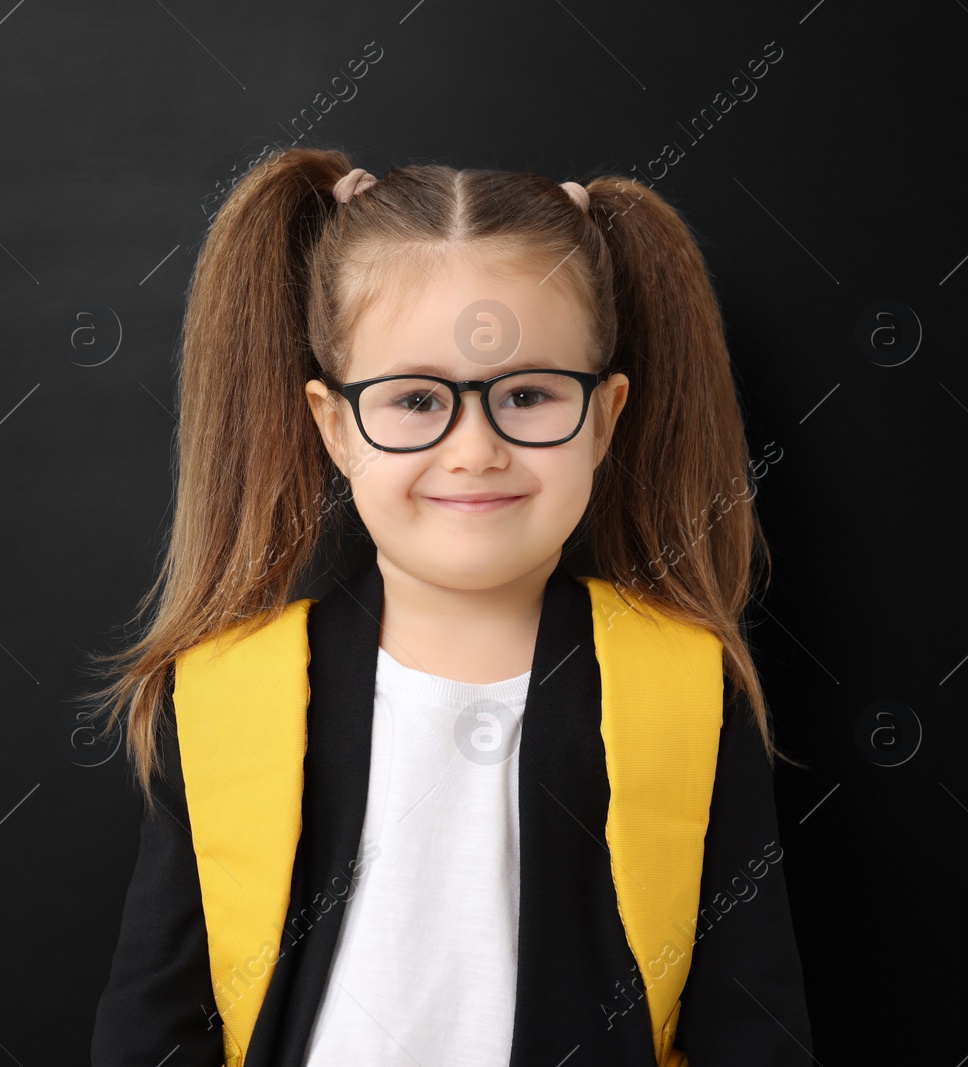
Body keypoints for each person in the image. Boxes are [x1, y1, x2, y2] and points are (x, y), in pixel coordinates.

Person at [79, 145, 816, 1066]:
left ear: (606, 416)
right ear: (335, 424)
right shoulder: (227, 693)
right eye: (419, 398)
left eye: (531, 394)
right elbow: (152, 1021)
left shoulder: (690, 687)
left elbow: (750, 1022)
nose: (475, 450)